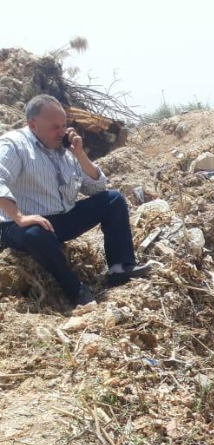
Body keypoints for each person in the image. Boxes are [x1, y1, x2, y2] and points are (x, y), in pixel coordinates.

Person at [0, 94, 153, 307]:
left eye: (64, 125)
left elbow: (97, 188)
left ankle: (119, 268)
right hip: (17, 223)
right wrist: (20, 217)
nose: (62, 131)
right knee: (36, 234)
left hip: (59, 219)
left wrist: (80, 155)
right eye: (55, 127)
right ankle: (75, 290)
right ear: (33, 124)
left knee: (113, 200)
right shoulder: (14, 145)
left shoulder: (66, 149)